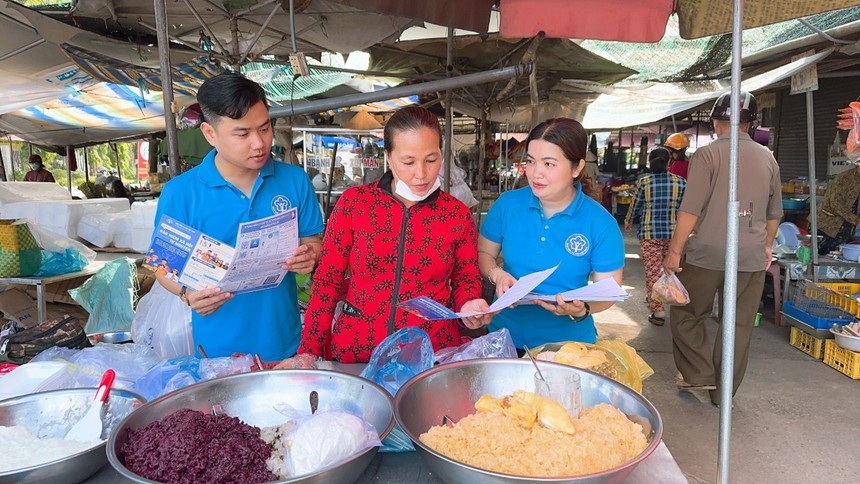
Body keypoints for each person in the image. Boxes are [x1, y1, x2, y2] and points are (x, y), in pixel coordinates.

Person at [280, 106, 491, 367]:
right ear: (389, 157)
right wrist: (308, 350)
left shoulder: (455, 214)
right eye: (408, 162)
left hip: (430, 354)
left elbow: (465, 276)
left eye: (431, 159)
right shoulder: (354, 204)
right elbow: (327, 281)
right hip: (358, 351)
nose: (421, 174)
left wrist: (470, 304)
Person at [154, 72, 323, 361]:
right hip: (218, 354)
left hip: (285, 346)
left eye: (265, 128)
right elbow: (162, 266)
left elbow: (313, 240)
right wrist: (186, 294)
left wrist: (311, 254)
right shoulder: (181, 193)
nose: (259, 143)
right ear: (210, 134)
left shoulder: (294, 181)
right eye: (242, 134)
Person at [663, 91, 782, 405]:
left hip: (706, 254)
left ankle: (698, 374)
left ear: (716, 121)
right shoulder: (768, 157)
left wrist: (675, 251)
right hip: (751, 256)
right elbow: (774, 214)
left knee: (687, 312)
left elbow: (691, 209)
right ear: (750, 124)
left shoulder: (707, 155)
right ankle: (723, 394)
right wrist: (767, 246)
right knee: (739, 325)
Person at [478, 118, 625, 349]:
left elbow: (609, 291)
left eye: (549, 164)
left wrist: (582, 308)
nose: (536, 173)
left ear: (577, 167)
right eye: (531, 161)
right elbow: (484, 252)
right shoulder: (507, 205)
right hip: (502, 338)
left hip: (567, 347)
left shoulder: (600, 223)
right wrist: (497, 275)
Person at [624, 147, 686, 326]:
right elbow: (686, 210)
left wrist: (628, 221)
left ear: (650, 161)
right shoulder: (681, 183)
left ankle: (658, 311)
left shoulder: (645, 182)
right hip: (674, 234)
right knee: (670, 270)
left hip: (650, 233)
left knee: (653, 272)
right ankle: (672, 300)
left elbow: (635, 205)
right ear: (669, 162)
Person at [814, 165, 860, 255]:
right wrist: (856, 220)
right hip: (827, 225)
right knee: (822, 256)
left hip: (846, 227)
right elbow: (835, 203)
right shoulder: (845, 178)